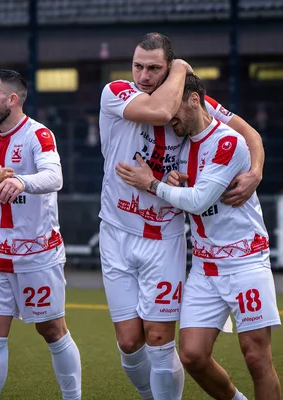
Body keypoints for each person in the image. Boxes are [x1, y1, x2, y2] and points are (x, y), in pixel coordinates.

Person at [99, 32, 265, 400]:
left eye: (154, 68)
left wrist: (255, 171)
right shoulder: (116, 92)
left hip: (165, 237)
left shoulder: (192, 99)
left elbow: (248, 133)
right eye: (138, 66)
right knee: (129, 342)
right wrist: (180, 67)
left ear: (168, 68)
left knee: (159, 339)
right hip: (116, 232)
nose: (143, 75)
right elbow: (158, 112)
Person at [0, 69, 81, 400]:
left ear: (12, 99)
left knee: (51, 329)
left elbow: (54, 177)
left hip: (37, 253)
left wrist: (21, 180)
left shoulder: (38, 134)